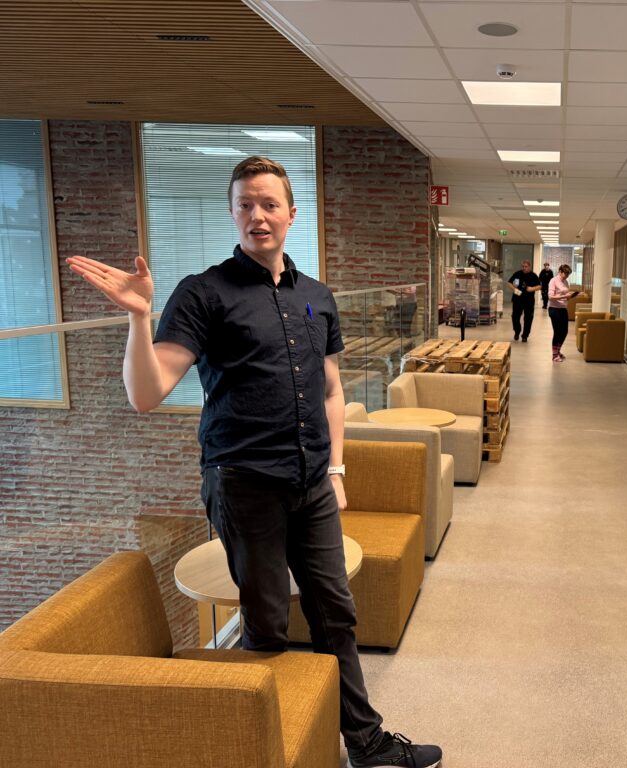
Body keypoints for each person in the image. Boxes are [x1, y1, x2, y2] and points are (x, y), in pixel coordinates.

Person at [67, 156, 442, 768]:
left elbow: (331, 391)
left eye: (269, 204)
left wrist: (337, 470)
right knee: (266, 623)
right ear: (232, 213)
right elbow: (146, 393)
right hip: (245, 485)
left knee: (336, 612)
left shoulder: (317, 297)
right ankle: (272, 749)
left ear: (292, 214)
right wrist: (138, 316)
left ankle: (366, 745)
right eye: (245, 204)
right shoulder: (204, 292)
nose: (257, 216)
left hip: (312, 482)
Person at [546, 264, 577, 362]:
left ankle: (558, 351)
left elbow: (565, 296)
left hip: (563, 308)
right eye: (565, 274)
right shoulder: (553, 281)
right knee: (557, 332)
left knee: (564, 332)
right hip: (554, 309)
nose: (567, 276)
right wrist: (564, 296)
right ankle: (554, 355)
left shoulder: (566, 282)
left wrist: (570, 296)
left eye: (568, 274)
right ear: (560, 272)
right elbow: (551, 297)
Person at [507, 259, 541, 342]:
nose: (524, 268)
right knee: (515, 317)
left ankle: (525, 335)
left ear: (529, 267)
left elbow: (539, 286)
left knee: (528, 318)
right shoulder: (517, 274)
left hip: (529, 300)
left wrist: (532, 289)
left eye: (526, 266)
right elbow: (509, 283)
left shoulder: (533, 275)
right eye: (523, 266)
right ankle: (517, 331)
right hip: (517, 299)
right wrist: (514, 289)